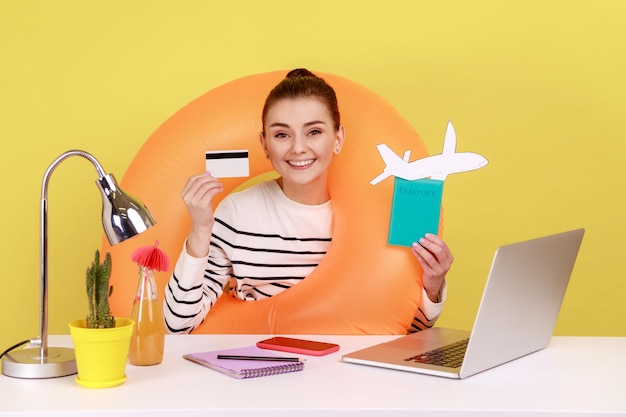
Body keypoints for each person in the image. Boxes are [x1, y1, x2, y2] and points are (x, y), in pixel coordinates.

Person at [163, 68, 454, 334]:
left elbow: (405, 327)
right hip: (261, 368)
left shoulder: (379, 216)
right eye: (281, 134)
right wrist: (200, 230)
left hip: (348, 376)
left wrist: (433, 283)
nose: (298, 148)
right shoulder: (237, 214)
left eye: (314, 132)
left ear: (338, 139)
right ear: (264, 144)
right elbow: (178, 325)